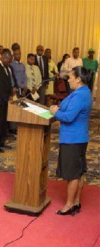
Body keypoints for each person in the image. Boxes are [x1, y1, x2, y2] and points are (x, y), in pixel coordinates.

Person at [49, 66, 92, 216]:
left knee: (73, 173)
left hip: (73, 139)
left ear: (79, 79)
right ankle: (76, 201)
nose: (69, 80)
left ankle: (69, 205)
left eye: (71, 77)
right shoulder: (82, 92)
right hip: (79, 137)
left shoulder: (80, 95)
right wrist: (61, 107)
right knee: (78, 171)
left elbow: (68, 117)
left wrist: (55, 111)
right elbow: (69, 107)